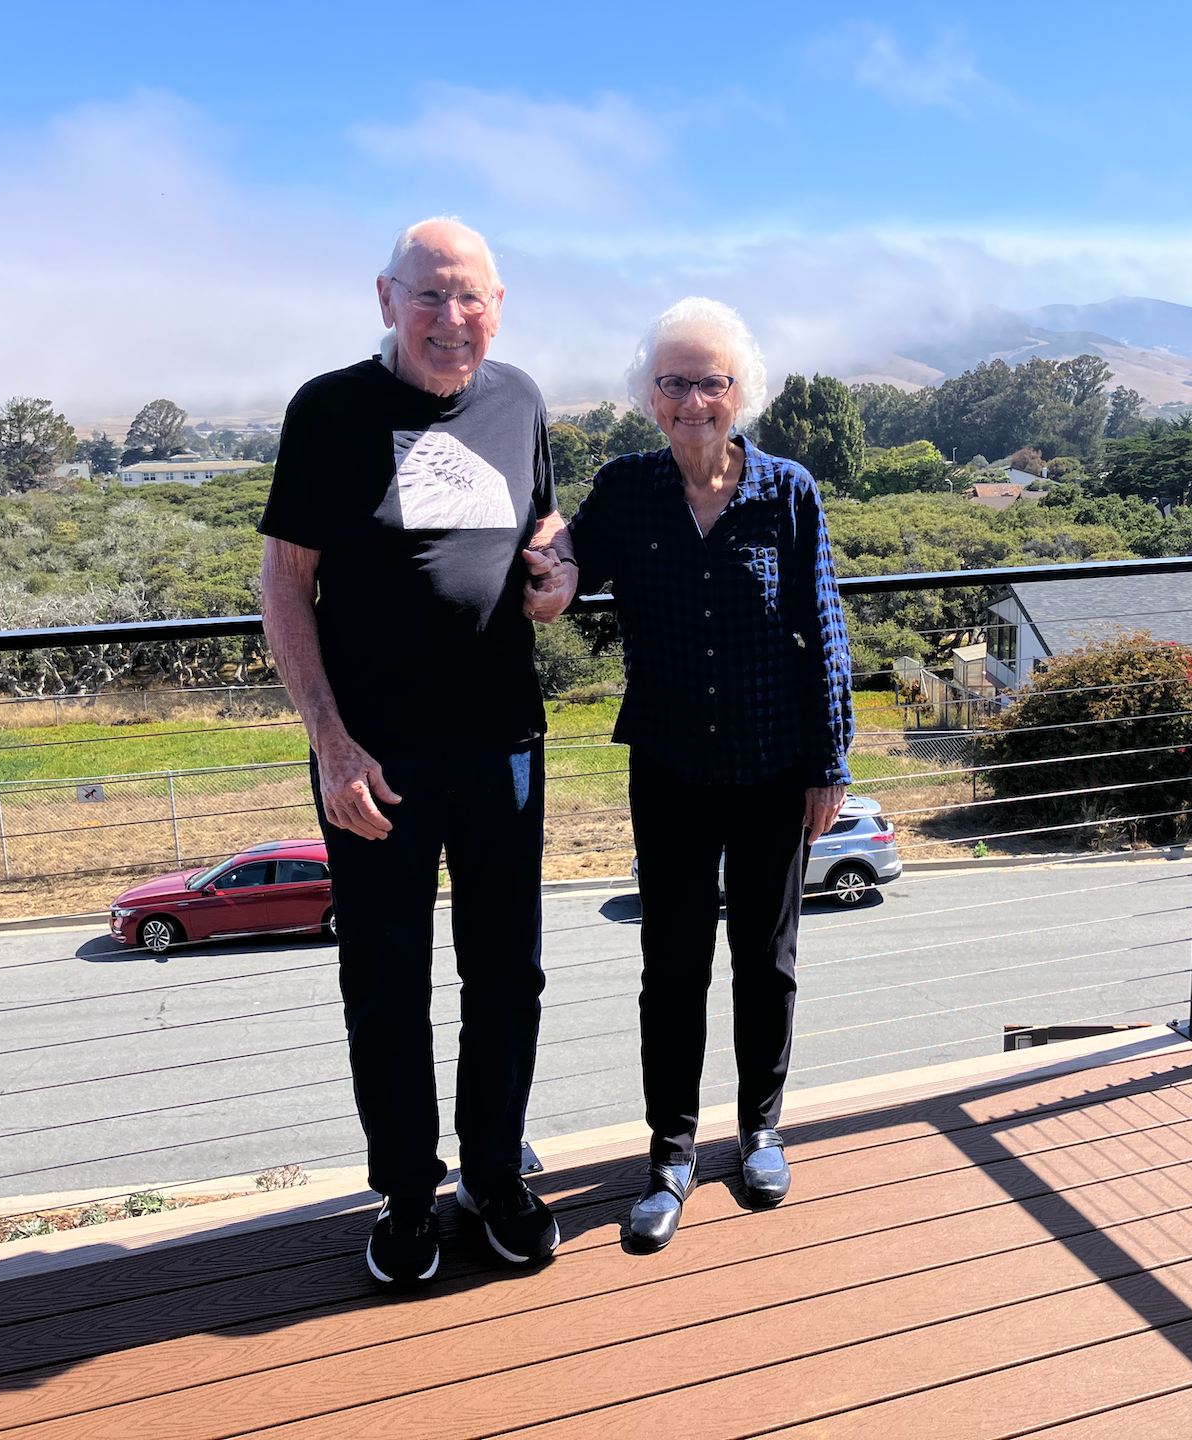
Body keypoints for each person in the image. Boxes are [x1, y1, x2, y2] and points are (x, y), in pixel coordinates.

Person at [260, 217, 565, 1288]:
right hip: (374, 761)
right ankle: (405, 1194)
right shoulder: (329, 410)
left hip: (502, 744)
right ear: (386, 299)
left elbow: (540, 525)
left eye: (470, 296)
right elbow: (283, 584)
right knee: (386, 981)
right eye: (429, 295)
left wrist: (561, 566)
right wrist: (330, 743)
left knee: (508, 974)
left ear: (498, 307)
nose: (451, 317)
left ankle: (495, 1177)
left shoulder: (520, 400)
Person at [527, 297, 853, 1252]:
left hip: (772, 763)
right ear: (651, 396)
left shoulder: (787, 491)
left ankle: (761, 1131)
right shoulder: (629, 488)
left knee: (767, 958)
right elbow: (572, 552)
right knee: (671, 966)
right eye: (673, 382)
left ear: (739, 391)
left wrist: (830, 761)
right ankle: (670, 1155)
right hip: (669, 763)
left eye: (711, 381)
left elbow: (825, 625)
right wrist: (551, 561)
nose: (692, 400)